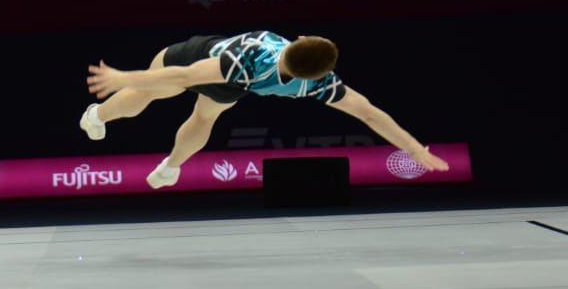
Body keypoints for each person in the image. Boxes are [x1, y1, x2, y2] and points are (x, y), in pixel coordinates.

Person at [82, 31, 449, 189]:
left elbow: (187, 73)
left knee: (150, 91)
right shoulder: (317, 84)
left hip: (202, 59)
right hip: (234, 87)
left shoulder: (252, 57)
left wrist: (122, 76)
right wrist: (416, 150)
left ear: (298, 42)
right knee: (205, 116)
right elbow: (370, 113)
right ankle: (169, 167)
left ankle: (97, 116)